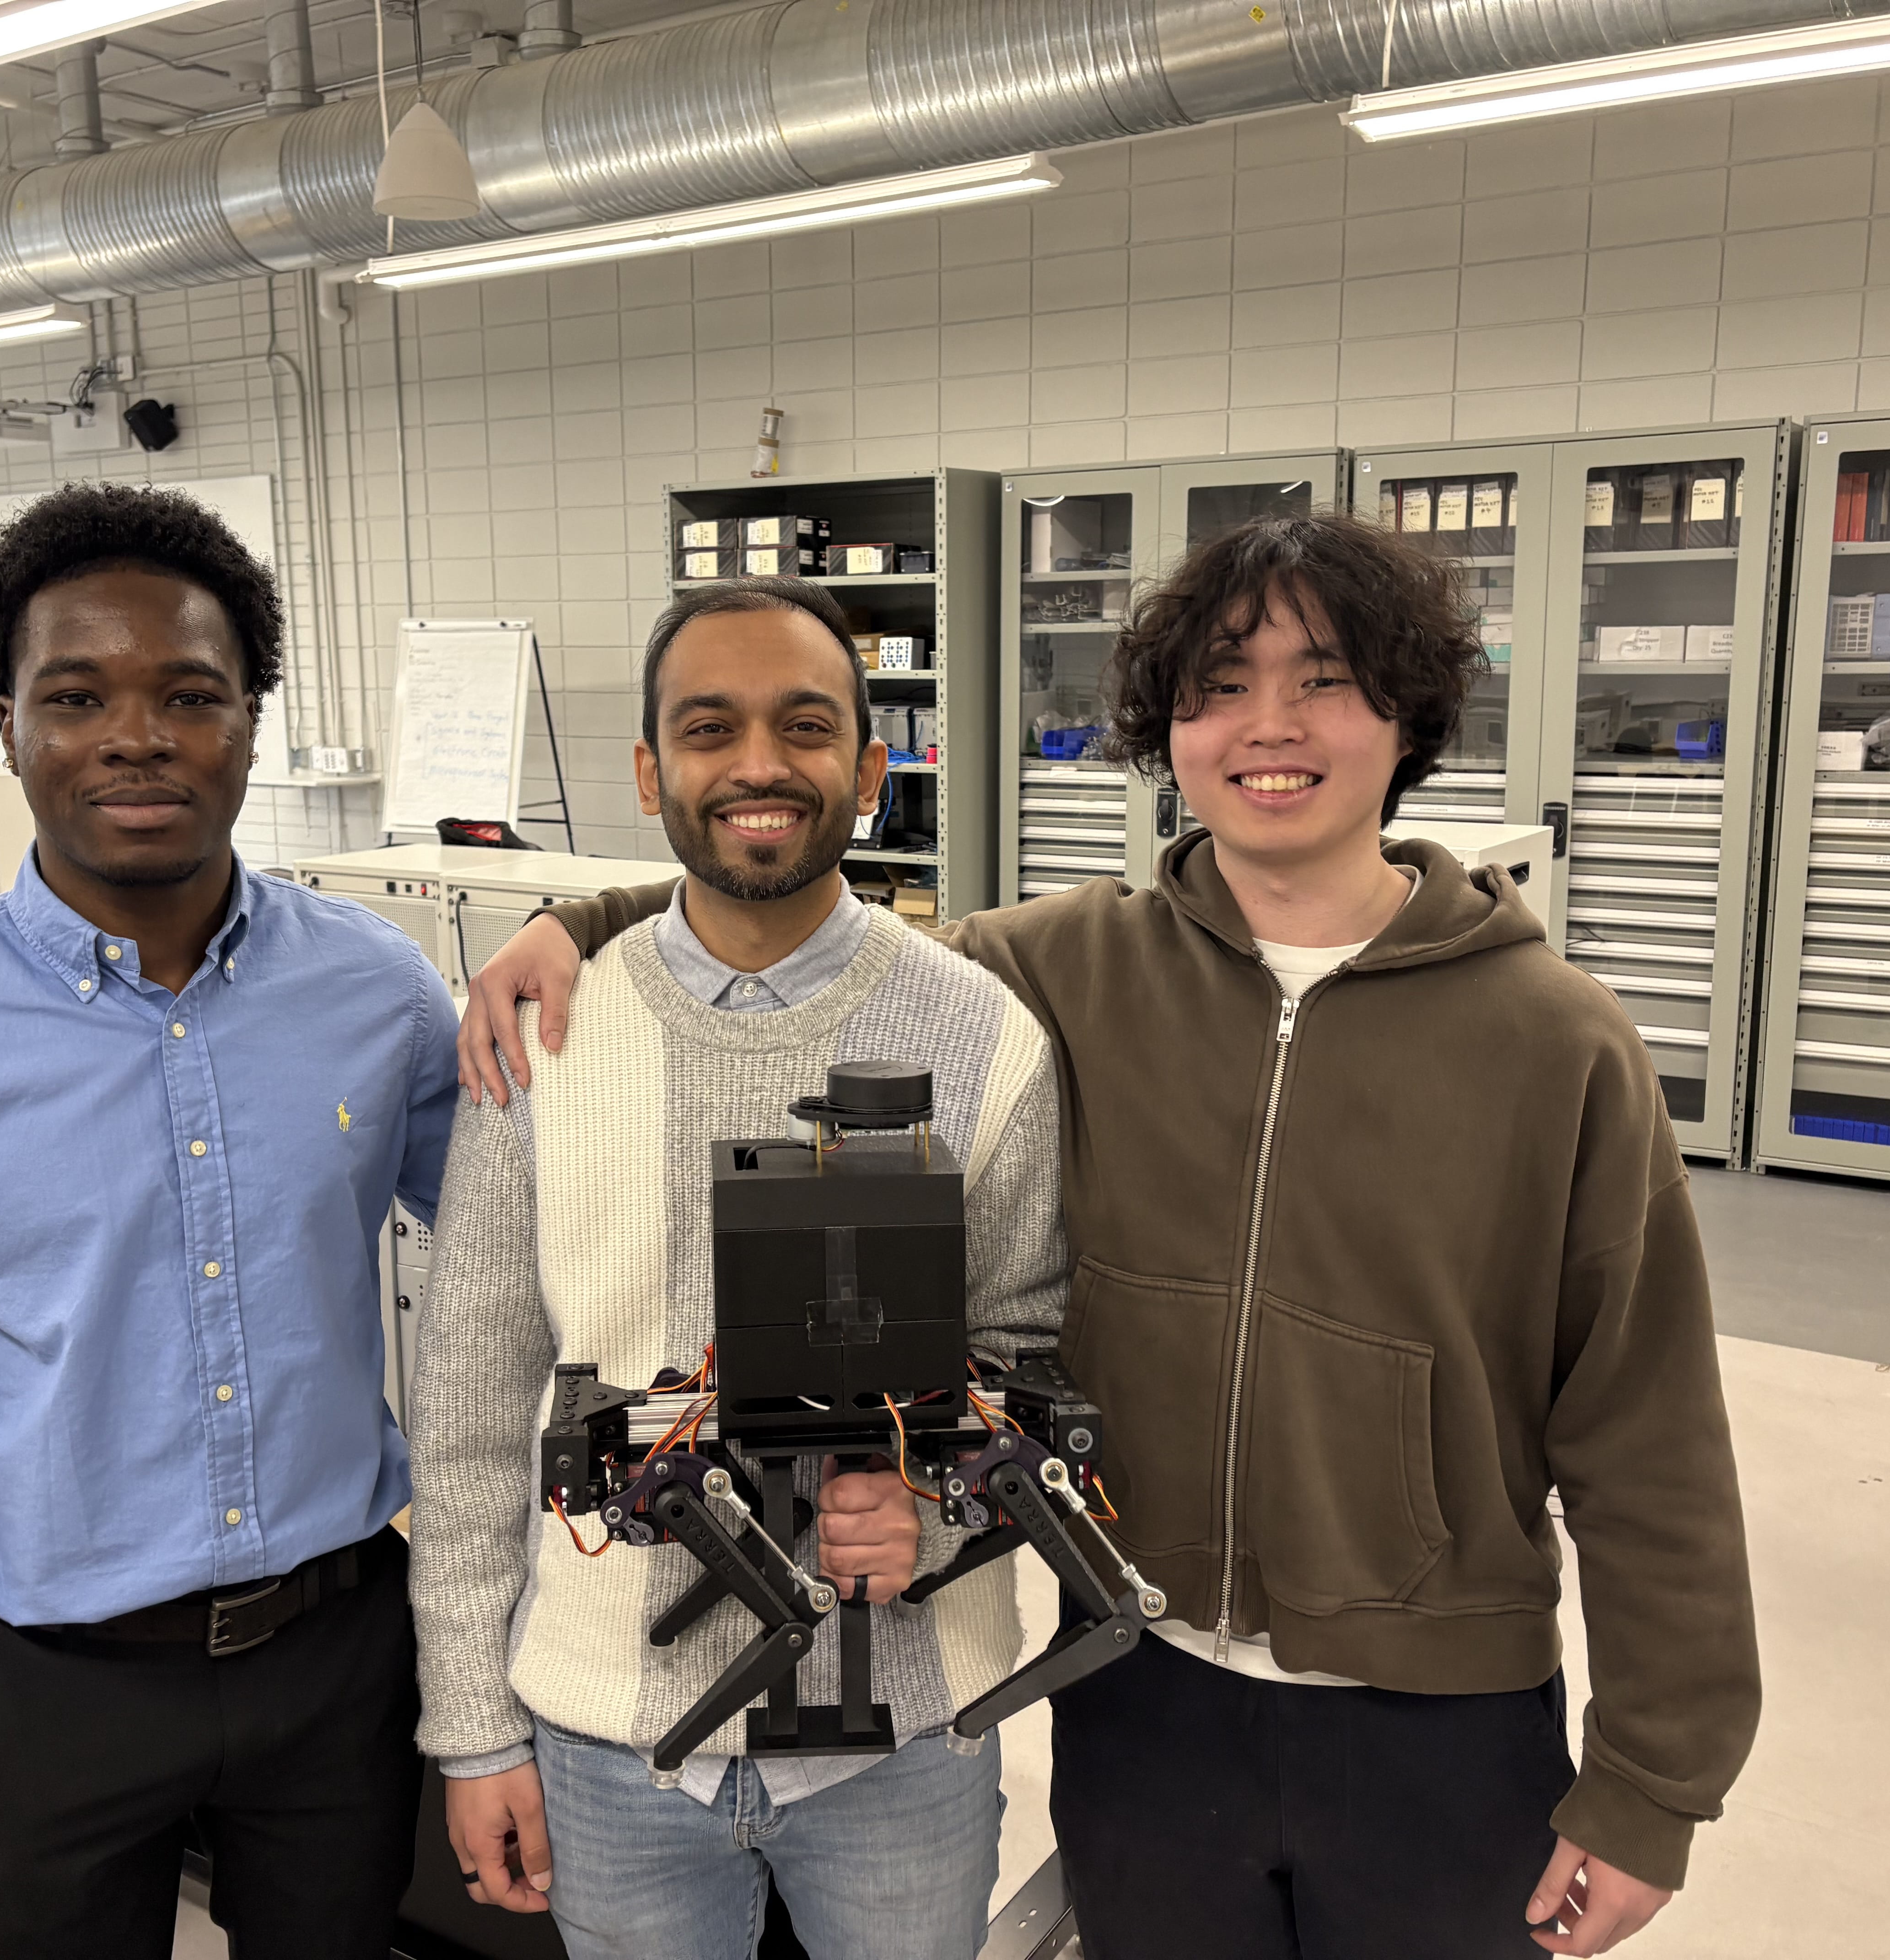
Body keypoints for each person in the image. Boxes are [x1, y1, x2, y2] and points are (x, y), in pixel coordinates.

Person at [455, 515, 1761, 1960]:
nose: (1270, 727)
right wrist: (583, 920)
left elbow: (1653, 1444)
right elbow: (784, 915)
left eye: (1323, 679)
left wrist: (1653, 1782)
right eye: (1219, 684)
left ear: (1410, 714)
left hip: (1436, 1716)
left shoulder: (1555, 1043)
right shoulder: (1059, 970)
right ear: (1169, 730)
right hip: (1145, 1697)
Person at [0, 482, 458, 1960]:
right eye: (74, 695)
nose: (137, 734)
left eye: (190, 693)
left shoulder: (378, 993)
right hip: (41, 1687)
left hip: (336, 1660)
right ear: (5, 723)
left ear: (251, 717)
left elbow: (528, 1257)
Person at [408, 575, 1067, 1960]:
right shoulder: (540, 1036)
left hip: (908, 1733)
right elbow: (470, 1421)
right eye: (710, 728)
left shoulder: (983, 1034)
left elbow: (1029, 1357)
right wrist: (472, 1732)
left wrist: (933, 1514)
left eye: (805, 726)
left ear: (871, 770)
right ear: (652, 768)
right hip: (607, 1737)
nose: (759, 764)